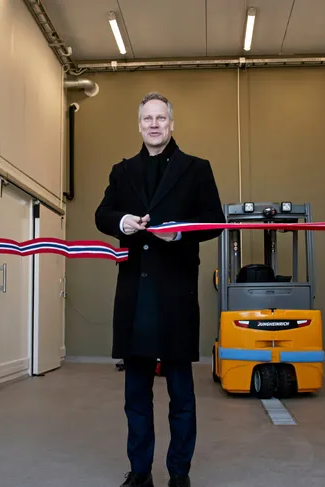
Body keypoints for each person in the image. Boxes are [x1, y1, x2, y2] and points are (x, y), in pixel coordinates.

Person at [95, 92, 225, 487]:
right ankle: (140, 472)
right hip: (135, 295)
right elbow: (102, 215)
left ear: (172, 124)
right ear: (139, 125)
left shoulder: (196, 168)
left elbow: (215, 220)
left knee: (181, 396)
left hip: (175, 295)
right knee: (136, 395)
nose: (154, 124)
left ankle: (179, 473)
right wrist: (123, 222)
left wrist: (180, 231)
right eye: (147, 118)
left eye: (161, 118)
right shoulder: (123, 171)